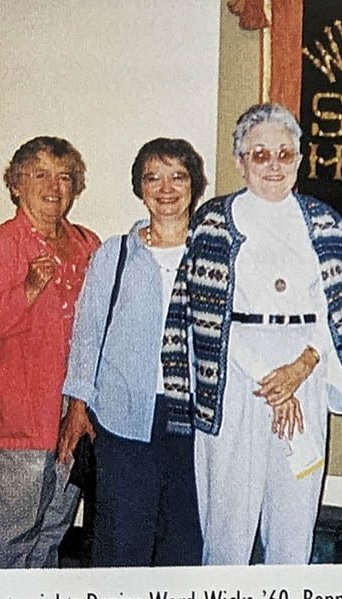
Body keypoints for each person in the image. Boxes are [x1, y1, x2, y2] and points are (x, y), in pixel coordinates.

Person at [159, 102, 342, 565]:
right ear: (240, 160)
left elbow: (338, 311)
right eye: (260, 155)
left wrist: (300, 369)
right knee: (228, 520)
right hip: (235, 372)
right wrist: (272, 383)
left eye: (284, 154)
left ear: (300, 159)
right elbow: (206, 313)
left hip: (307, 366)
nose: (274, 165)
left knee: (294, 515)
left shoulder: (324, 222)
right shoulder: (215, 221)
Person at [58, 138, 208, 567]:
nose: (165, 188)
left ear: (193, 185)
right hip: (125, 419)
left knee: (184, 542)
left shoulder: (211, 252)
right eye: (153, 177)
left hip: (193, 419)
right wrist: (78, 405)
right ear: (140, 188)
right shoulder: (115, 254)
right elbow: (87, 333)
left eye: (177, 176)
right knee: (121, 543)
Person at [0, 136, 100, 569]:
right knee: (0, 548)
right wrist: (26, 291)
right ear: (16, 183)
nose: (53, 186)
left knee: (49, 538)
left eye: (64, 176)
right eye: (39, 174)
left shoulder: (87, 245)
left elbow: (97, 333)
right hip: (10, 425)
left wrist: (81, 408)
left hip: (70, 419)